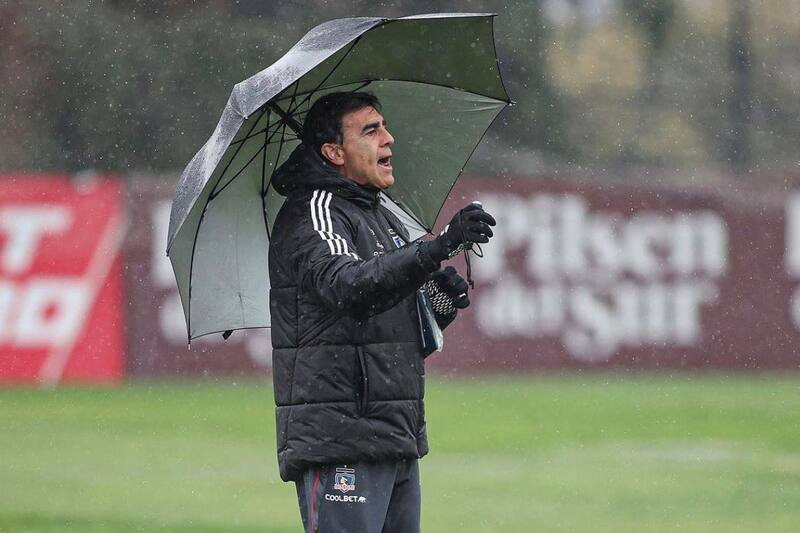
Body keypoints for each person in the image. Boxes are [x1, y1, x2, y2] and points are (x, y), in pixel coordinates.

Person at [268, 91, 496, 532]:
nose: (389, 139)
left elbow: (383, 327)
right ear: (334, 152)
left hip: (393, 435)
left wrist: (434, 307)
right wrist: (438, 248)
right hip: (342, 440)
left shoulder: (381, 215)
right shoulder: (314, 212)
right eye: (371, 131)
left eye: (384, 127)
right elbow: (348, 288)